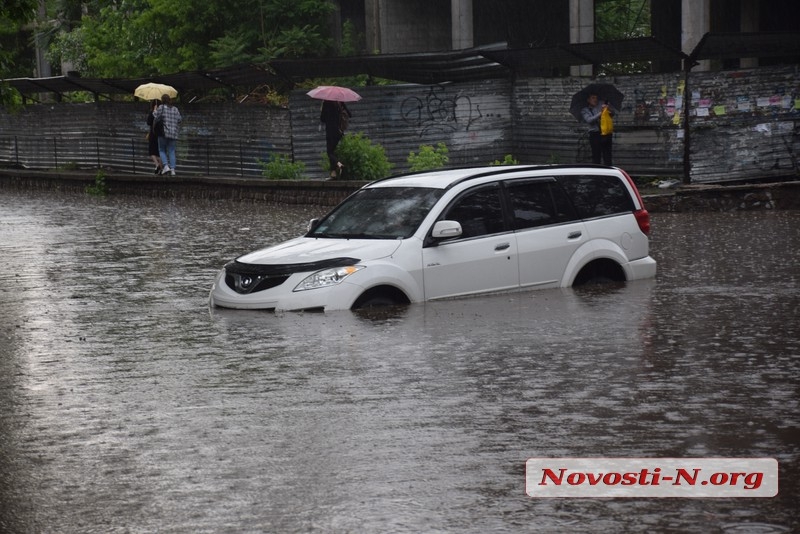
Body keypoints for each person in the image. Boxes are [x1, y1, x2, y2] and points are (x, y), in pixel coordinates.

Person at [582, 93, 615, 165]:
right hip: (595, 135)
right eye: (593, 98)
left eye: (596, 98)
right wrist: (601, 113)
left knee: (607, 156)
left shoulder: (601, 106)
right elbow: (589, 120)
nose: (595, 100)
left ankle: (608, 173)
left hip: (606, 134)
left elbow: (612, 114)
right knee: (596, 156)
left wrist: (608, 108)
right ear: (588, 100)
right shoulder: (585, 110)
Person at [152, 94, 182, 176]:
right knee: (172, 151)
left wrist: (154, 110)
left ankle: (166, 166)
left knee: (162, 150)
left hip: (163, 133)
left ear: (162, 100)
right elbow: (180, 119)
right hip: (173, 134)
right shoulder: (175, 109)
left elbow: (155, 116)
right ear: (169, 100)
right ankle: (173, 170)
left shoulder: (161, 107)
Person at [320, 99, 350, 179]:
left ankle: (339, 164)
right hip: (339, 131)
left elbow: (322, 118)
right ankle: (333, 174)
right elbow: (350, 114)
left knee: (329, 152)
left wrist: (322, 107)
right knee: (333, 152)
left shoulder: (326, 103)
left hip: (330, 131)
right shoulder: (340, 102)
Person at [145, 100, 164, 174]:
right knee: (159, 152)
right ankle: (161, 170)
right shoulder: (162, 113)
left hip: (153, 134)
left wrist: (154, 112)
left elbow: (148, 122)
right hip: (160, 134)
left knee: (152, 152)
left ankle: (157, 165)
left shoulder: (152, 112)